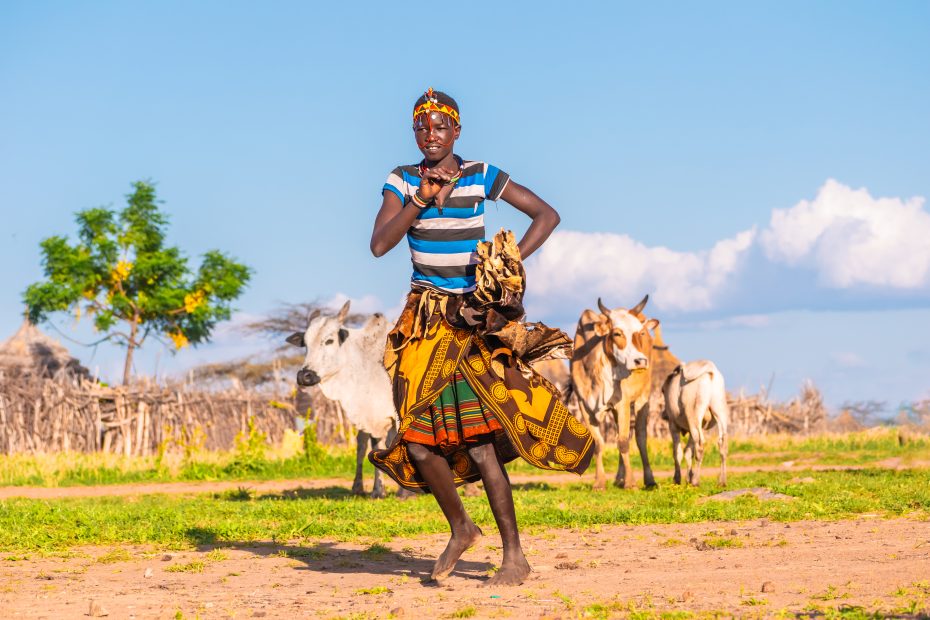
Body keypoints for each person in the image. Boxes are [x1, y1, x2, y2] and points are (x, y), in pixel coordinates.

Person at [369, 88, 594, 587]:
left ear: (456, 131)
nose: (431, 135)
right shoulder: (401, 181)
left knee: (480, 447)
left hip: (473, 322)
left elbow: (546, 215)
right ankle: (461, 528)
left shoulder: (481, 176)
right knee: (420, 444)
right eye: (422, 128)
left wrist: (507, 265)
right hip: (425, 327)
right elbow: (380, 244)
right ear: (414, 133)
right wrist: (421, 199)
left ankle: (514, 556)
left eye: (440, 127)